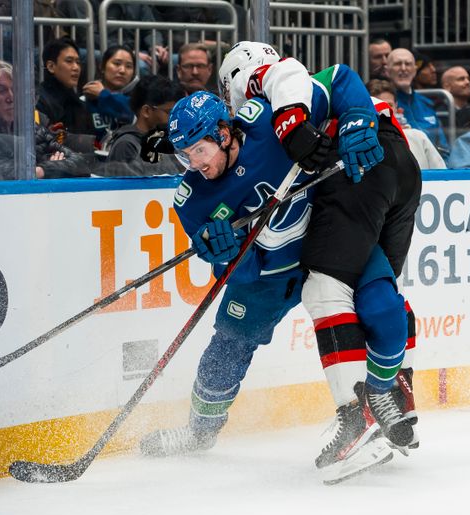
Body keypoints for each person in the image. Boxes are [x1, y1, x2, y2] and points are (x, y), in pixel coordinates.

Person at [138, 92, 400, 484]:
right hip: (268, 279)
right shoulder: (190, 198)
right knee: (226, 349)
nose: (194, 164)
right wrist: (226, 257)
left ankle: (378, 400)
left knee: (383, 308)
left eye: (199, 150)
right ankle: (199, 432)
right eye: (184, 156)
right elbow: (234, 274)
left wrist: (357, 120)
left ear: (224, 133)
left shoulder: (264, 123)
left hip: (333, 243)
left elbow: (340, 84)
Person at [216, 42, 422, 460]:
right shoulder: (270, 124)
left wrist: (292, 122)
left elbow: (315, 75)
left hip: (359, 171)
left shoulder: (273, 88)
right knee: (377, 296)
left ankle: (357, 418)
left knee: (324, 289)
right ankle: (394, 397)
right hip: (401, 171)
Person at [0, 59, 89, 179]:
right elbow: (5, 176)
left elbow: (82, 164)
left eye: (15, 89)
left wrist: (42, 170)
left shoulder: (30, 128)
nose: (11, 97)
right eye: (1, 91)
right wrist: (49, 167)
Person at [105, 74, 184, 176]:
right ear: (146, 111)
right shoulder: (126, 145)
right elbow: (123, 189)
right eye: (169, 112)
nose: (175, 118)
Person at [366, 78, 446, 170]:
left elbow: (442, 174)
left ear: (396, 107)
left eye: (389, 105)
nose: (385, 111)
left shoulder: (418, 137)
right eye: (378, 106)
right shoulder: (361, 142)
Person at [36, 36, 97, 153]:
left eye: (78, 62)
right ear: (51, 66)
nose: (76, 68)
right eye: (69, 61)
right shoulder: (38, 100)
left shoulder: (79, 104)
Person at [387, 47, 450, 156]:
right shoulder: (381, 104)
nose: (403, 68)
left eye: (408, 64)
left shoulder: (427, 104)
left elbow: (444, 150)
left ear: (415, 70)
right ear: (387, 70)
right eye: (397, 64)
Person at [81, 45, 137, 146]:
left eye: (128, 66)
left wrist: (103, 95)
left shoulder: (137, 101)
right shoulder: (85, 100)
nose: (122, 70)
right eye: (116, 63)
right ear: (102, 67)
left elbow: (130, 112)